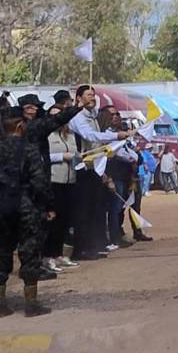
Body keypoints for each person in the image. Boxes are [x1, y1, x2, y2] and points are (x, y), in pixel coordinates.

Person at [68, 86, 132, 260]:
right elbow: (90, 136)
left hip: (95, 168)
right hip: (82, 169)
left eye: (94, 95)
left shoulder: (93, 116)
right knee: (84, 211)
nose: (93, 98)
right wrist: (115, 136)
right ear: (79, 98)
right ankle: (80, 249)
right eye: (88, 95)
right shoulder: (77, 117)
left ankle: (93, 246)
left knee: (96, 209)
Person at [0, 108, 52, 317]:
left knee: (2, 252)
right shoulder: (29, 149)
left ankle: (1, 305)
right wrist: (48, 205)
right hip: (26, 206)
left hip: (2, 206)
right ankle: (31, 304)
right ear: (20, 126)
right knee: (30, 253)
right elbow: (40, 182)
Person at [43, 106, 81, 271]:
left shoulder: (71, 135)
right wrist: (61, 157)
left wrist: (79, 158)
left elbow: (75, 153)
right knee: (53, 221)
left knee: (66, 219)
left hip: (70, 181)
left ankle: (59, 255)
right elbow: (42, 156)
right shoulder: (46, 136)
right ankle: (47, 256)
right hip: (53, 181)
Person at [98, 105, 136, 249]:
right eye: (111, 114)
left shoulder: (119, 132)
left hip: (123, 174)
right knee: (113, 208)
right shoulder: (105, 135)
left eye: (117, 114)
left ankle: (117, 234)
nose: (115, 117)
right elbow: (118, 153)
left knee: (119, 208)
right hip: (112, 174)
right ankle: (112, 238)